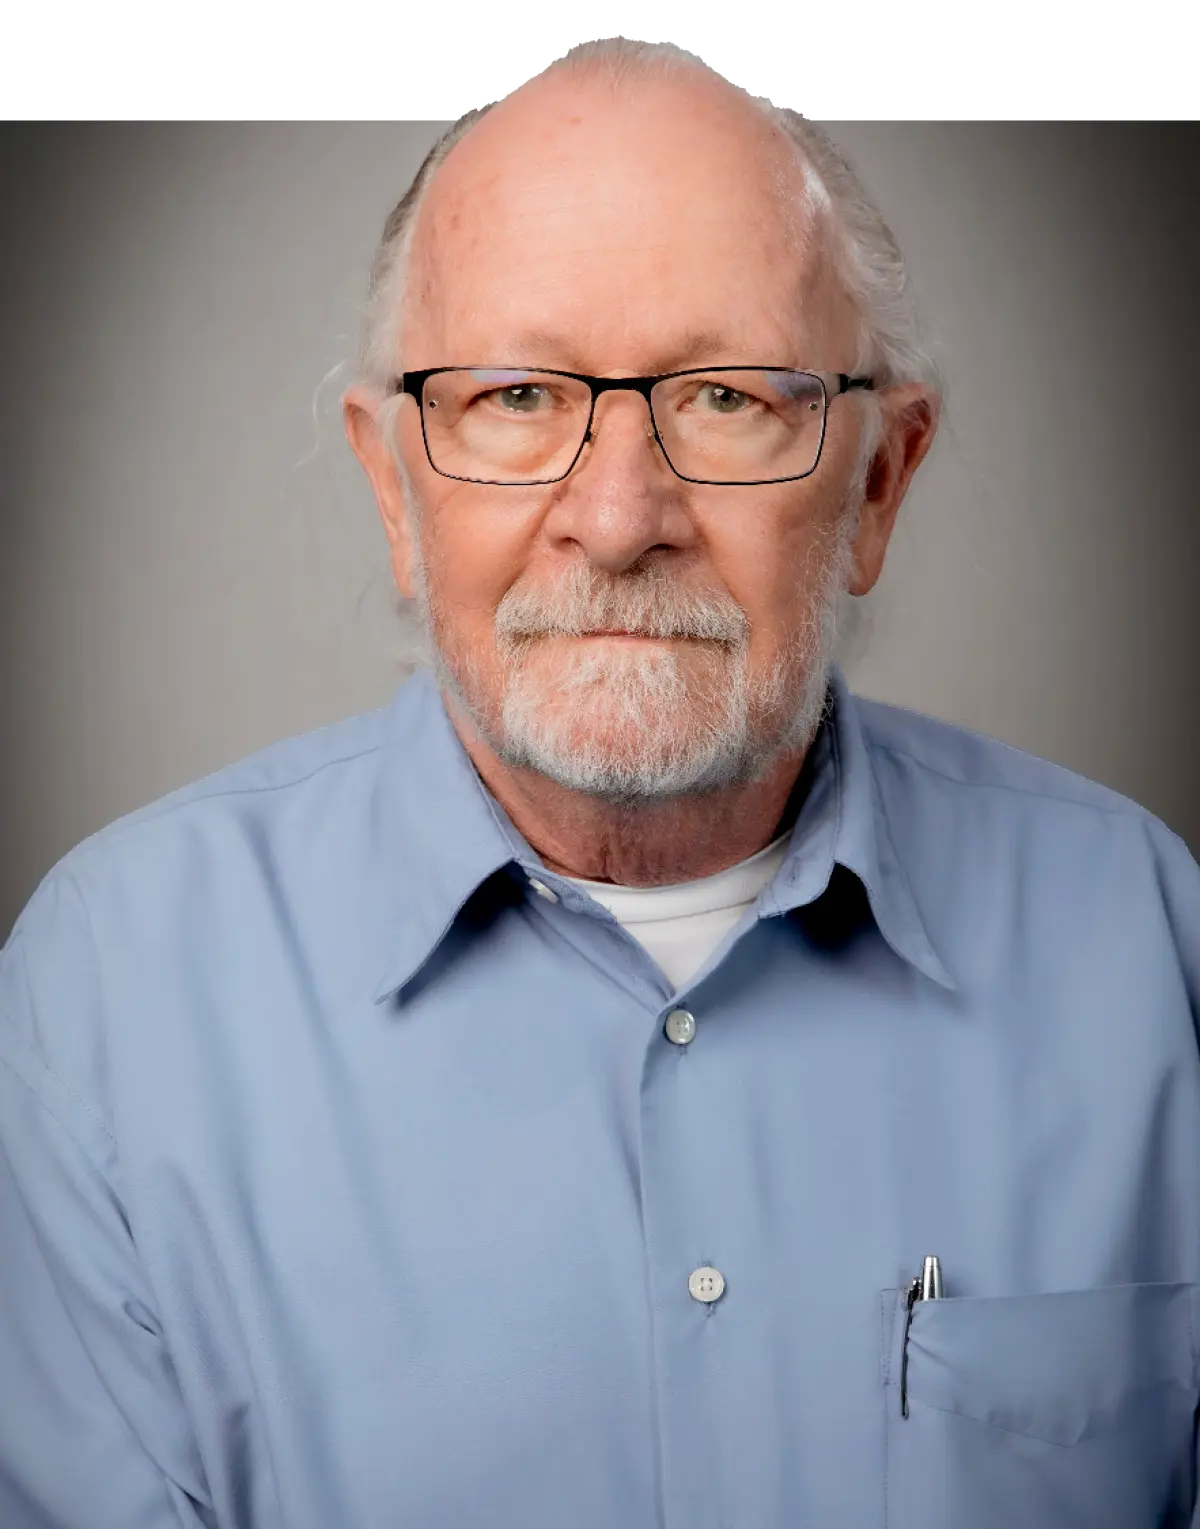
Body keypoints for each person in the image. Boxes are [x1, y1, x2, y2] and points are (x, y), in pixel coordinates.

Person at [2, 42, 1198, 1529]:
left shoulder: (1157, 954)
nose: (620, 518)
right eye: (515, 395)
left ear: (878, 484)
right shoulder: (104, 1002)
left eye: (725, 396)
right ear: (394, 488)